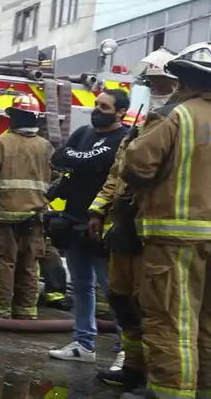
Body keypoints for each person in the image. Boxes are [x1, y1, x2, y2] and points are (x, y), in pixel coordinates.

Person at [120, 42, 211, 399]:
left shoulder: (178, 115)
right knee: (206, 322)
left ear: (184, 79)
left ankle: (169, 393)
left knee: (172, 321)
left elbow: (137, 165)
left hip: (175, 238)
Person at [91, 58, 177, 390]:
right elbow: (117, 175)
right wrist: (98, 211)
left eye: (160, 83)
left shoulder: (177, 123)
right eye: (150, 83)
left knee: (150, 306)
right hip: (125, 228)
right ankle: (133, 366)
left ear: (178, 84)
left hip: (154, 231)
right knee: (121, 299)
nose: (154, 89)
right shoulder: (141, 127)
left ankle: (154, 376)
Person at [46, 89, 130, 362]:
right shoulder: (83, 133)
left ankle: (125, 351)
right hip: (73, 221)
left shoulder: (125, 139)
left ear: (120, 112)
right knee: (82, 286)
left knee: (114, 289)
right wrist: (83, 160)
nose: (96, 110)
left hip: (104, 226)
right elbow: (59, 156)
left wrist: (79, 159)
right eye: (96, 104)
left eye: (104, 106)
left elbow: (99, 162)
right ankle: (83, 344)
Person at [0, 94, 52, 319]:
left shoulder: (0, 143)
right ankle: (26, 311)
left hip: (3, 215)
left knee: (1, 261)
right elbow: (55, 179)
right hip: (35, 217)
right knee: (30, 263)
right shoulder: (46, 147)